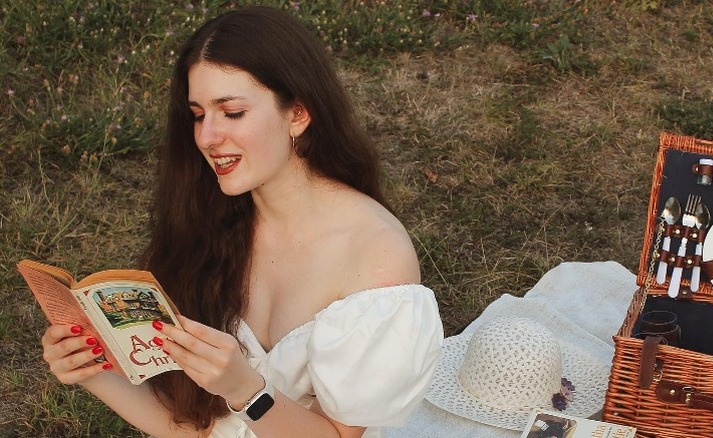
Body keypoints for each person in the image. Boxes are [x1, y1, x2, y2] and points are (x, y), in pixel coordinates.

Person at [39, 5, 443, 438]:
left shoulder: (376, 258)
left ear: (298, 114)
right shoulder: (210, 223)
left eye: (231, 113)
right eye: (198, 114)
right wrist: (93, 371)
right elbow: (195, 428)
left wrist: (247, 392)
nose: (207, 137)